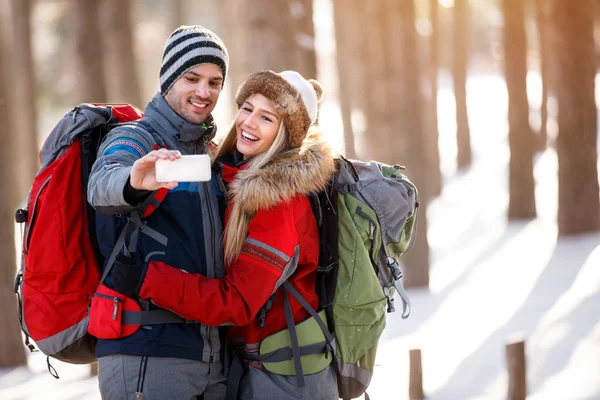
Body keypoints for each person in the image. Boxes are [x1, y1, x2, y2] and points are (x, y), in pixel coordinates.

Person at [111, 70, 340, 399]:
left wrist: (147, 279)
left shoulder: (278, 201)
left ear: (286, 133)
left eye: (266, 117)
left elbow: (237, 302)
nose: (249, 123)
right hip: (259, 369)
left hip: (286, 379)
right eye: (247, 108)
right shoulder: (236, 177)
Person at [87, 25, 229, 400]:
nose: (204, 92)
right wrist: (133, 182)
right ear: (168, 79)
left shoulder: (209, 154)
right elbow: (103, 185)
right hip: (146, 354)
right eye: (192, 78)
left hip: (209, 359)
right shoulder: (136, 137)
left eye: (215, 82)